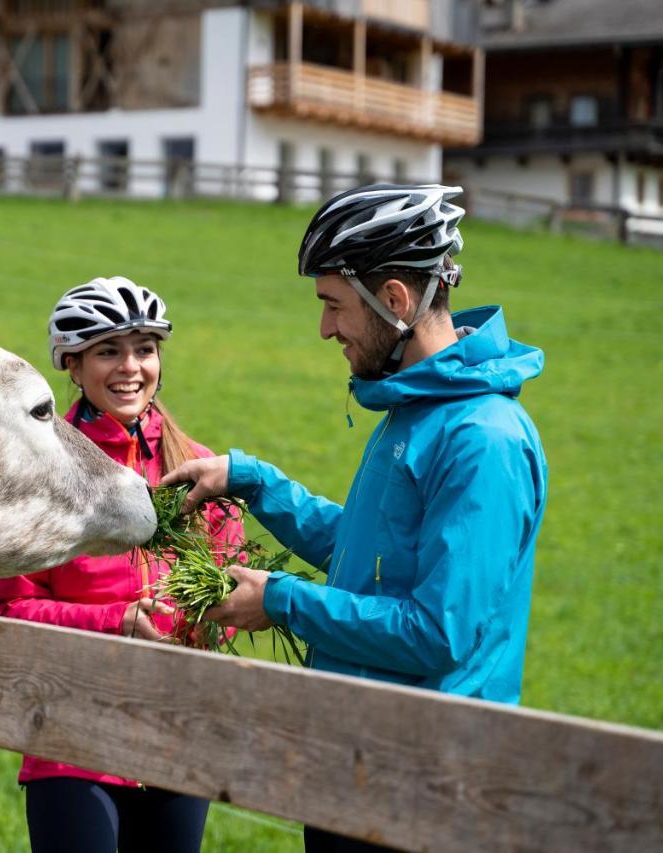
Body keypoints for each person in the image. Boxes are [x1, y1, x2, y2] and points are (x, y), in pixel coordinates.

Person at [161, 184, 548, 852]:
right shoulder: (416, 411)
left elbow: (438, 631)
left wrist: (281, 601)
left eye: (333, 304)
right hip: (360, 760)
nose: (325, 329)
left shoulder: (482, 438)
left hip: (427, 784)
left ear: (394, 301)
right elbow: (370, 557)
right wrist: (254, 482)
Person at [0, 276, 242, 853]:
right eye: (108, 350)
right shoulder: (36, 478)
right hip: (72, 734)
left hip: (177, 731)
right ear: (72, 365)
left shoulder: (198, 468)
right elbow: (8, 608)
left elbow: (229, 592)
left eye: (145, 349)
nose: (131, 367)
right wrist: (117, 622)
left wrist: (195, 619)